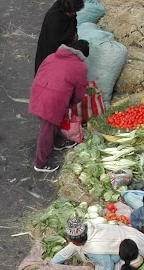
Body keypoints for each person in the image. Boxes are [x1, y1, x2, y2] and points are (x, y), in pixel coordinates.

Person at [29, 40, 89, 172]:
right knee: (46, 130)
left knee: (50, 123)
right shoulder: (80, 66)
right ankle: (41, 163)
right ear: (82, 55)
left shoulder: (51, 56)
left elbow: (40, 73)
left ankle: (59, 141)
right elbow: (79, 92)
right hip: (53, 100)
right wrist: (72, 103)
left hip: (38, 92)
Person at [50, 217, 144, 270]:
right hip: (126, 239)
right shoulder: (89, 230)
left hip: (134, 248)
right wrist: (51, 264)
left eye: (71, 240)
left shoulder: (95, 248)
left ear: (77, 240)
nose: (70, 242)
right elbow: (68, 250)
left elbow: (109, 267)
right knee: (101, 265)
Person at [34, 0, 84, 73]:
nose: (74, 14)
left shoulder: (69, 14)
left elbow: (72, 26)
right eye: (72, 12)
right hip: (53, 52)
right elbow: (53, 43)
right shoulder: (54, 18)